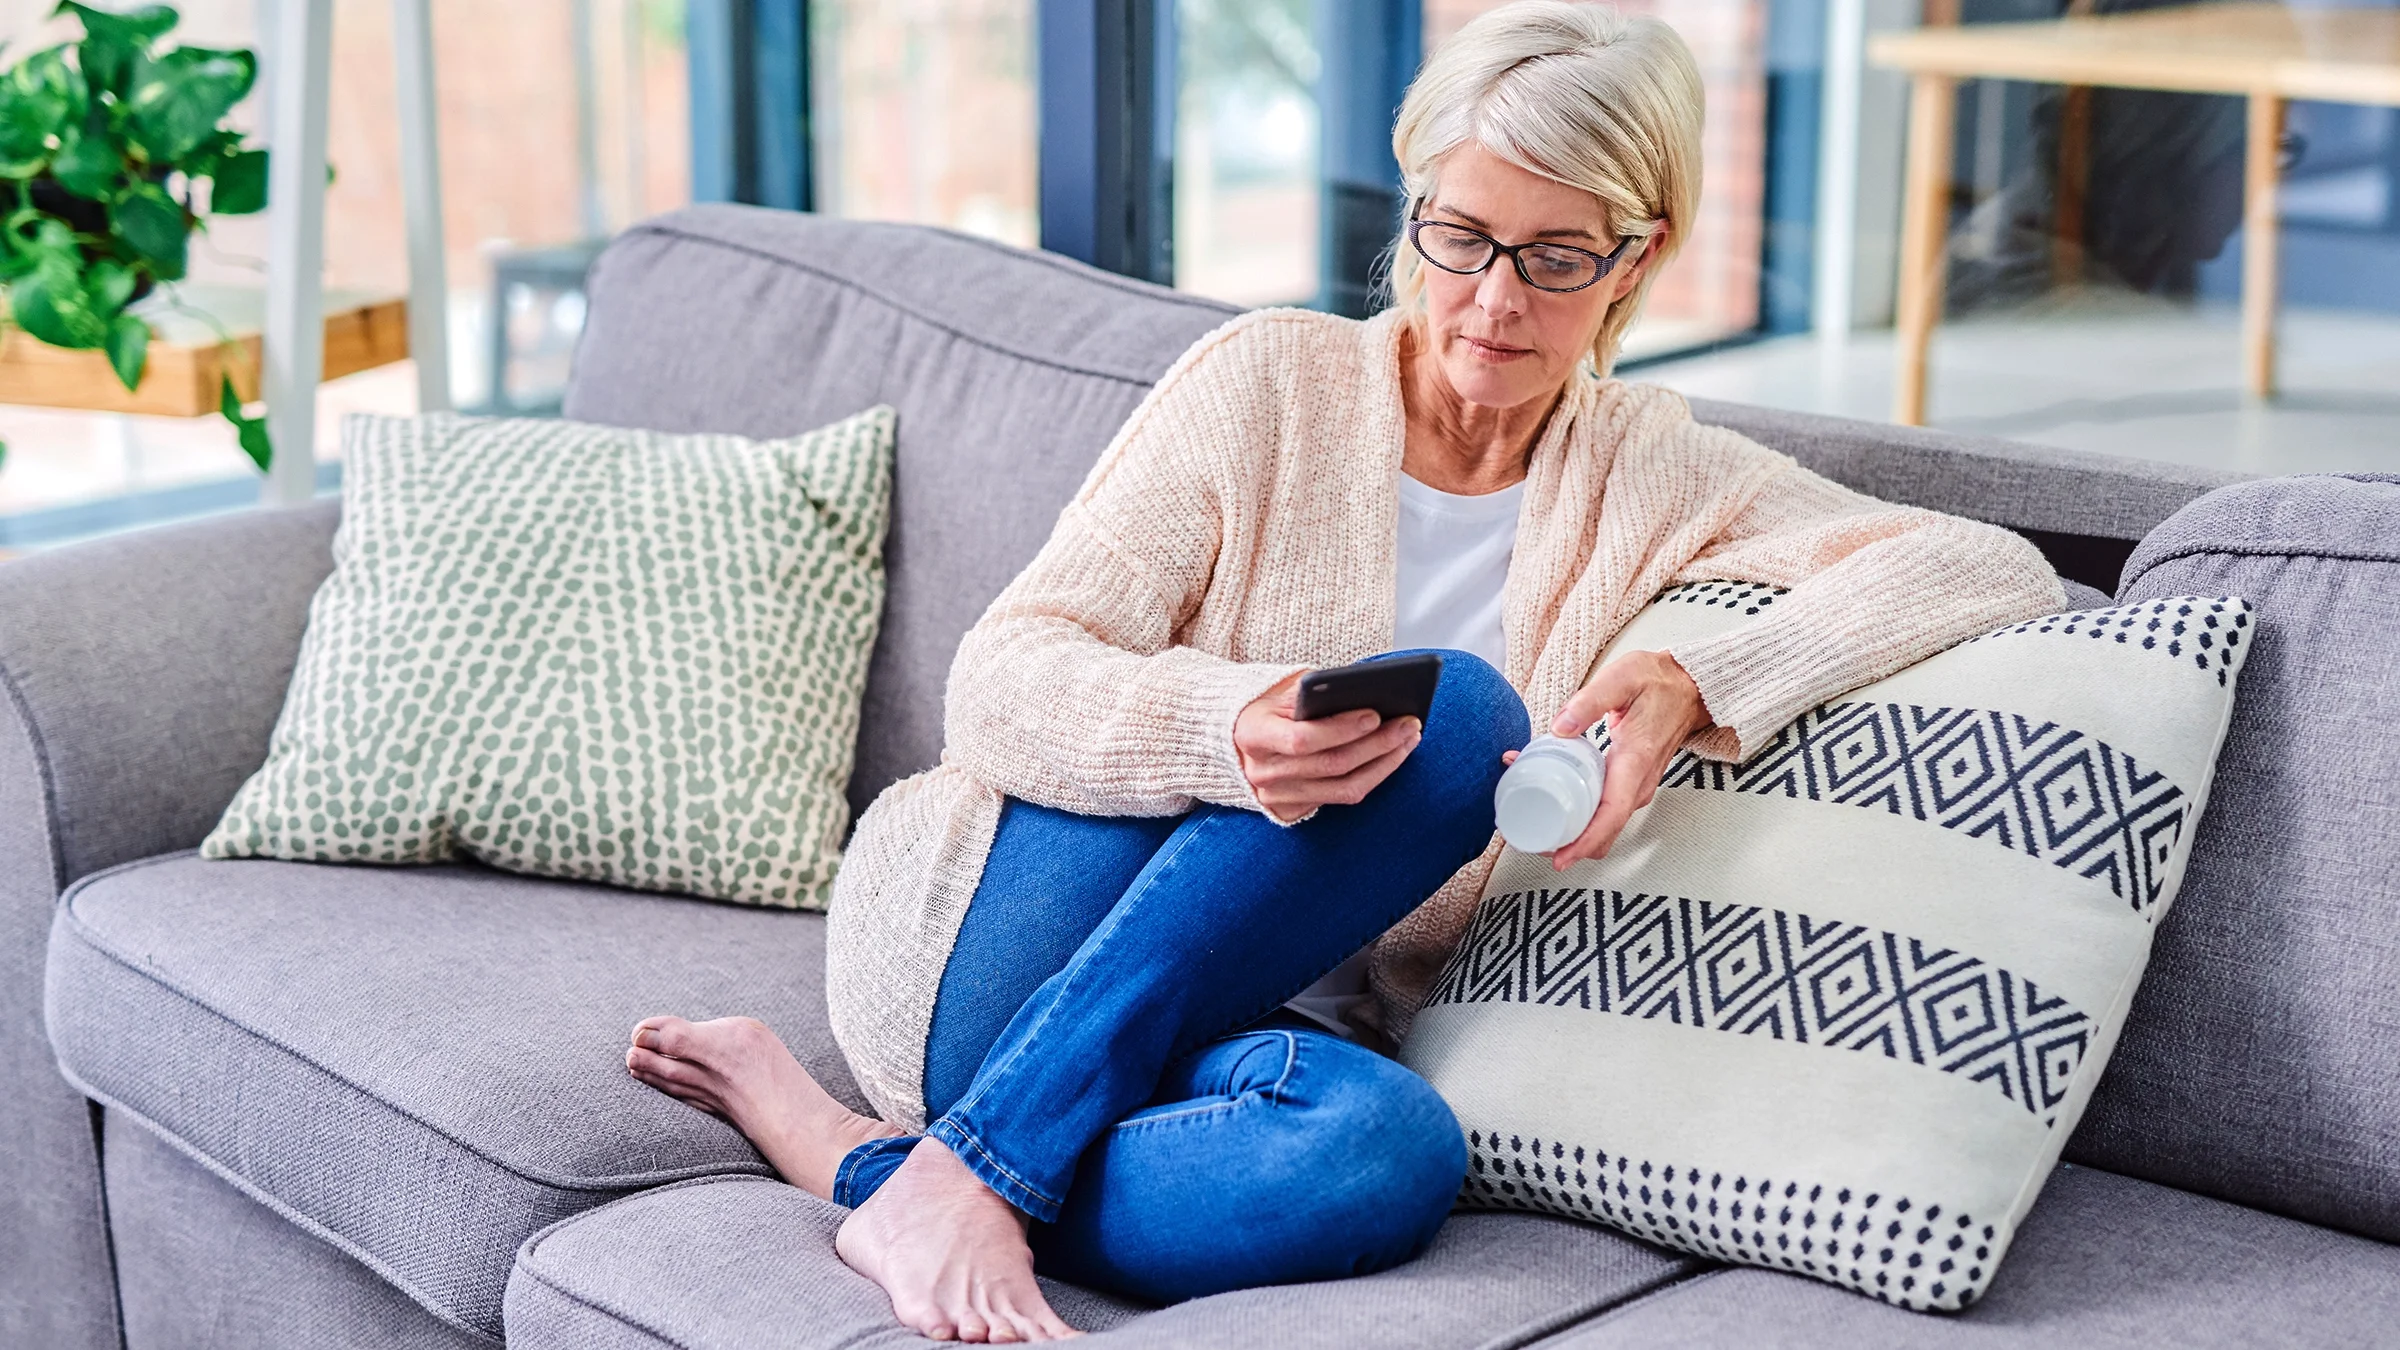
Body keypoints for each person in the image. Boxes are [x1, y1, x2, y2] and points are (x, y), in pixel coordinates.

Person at [622, 2, 2066, 1341]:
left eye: (1558, 257)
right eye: (1460, 237)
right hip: (1008, 932)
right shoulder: (1268, 384)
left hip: (1243, 1033)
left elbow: (1990, 566)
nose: (1494, 301)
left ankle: (879, 1165)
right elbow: (999, 680)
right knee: (1464, 724)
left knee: (1390, 1152)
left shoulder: (1663, 475)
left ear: (1641, 255)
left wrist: (1700, 671)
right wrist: (1224, 725)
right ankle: (974, 1155)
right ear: (1416, 210)